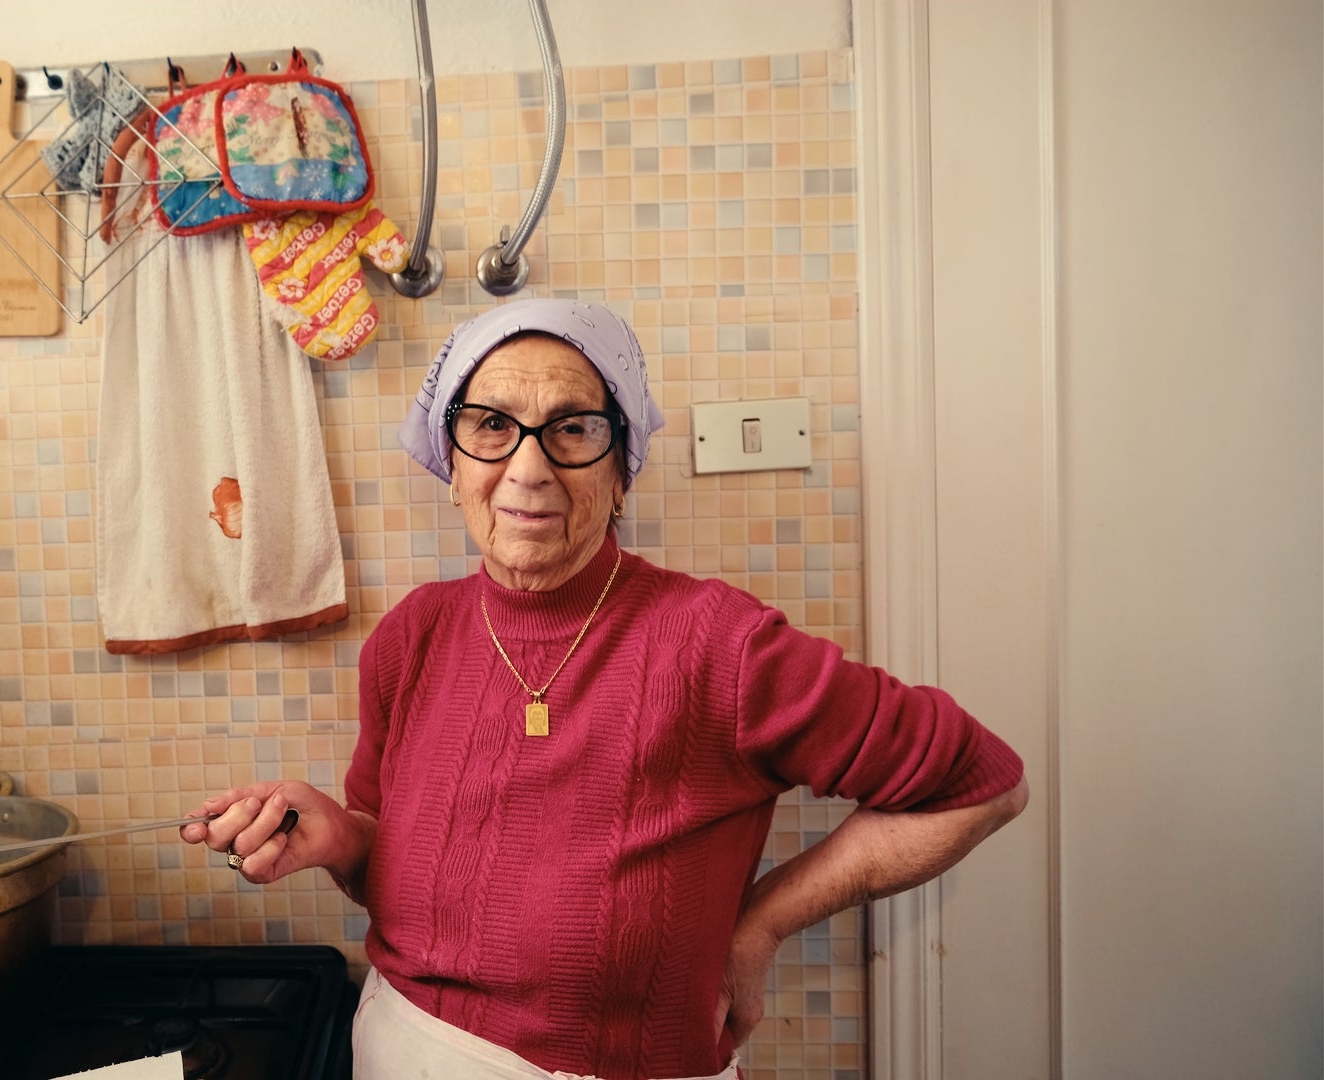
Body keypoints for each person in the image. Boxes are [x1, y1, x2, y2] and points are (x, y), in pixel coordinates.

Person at [181, 298, 1027, 1080]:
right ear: (451, 461)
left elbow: (984, 785)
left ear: (622, 469)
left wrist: (761, 923)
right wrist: (335, 834)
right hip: (400, 1048)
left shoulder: (720, 646)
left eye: (573, 429)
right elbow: (386, 874)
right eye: (491, 426)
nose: (529, 467)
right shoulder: (413, 636)